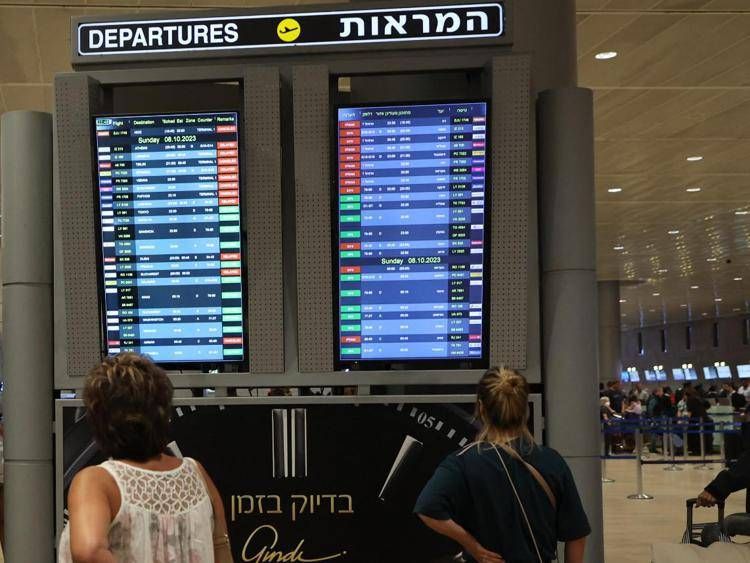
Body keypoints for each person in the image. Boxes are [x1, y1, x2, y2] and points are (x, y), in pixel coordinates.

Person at [58, 353, 230, 563]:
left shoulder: (96, 481)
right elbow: (221, 549)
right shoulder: (197, 472)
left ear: (99, 419)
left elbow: (89, 552)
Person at [414, 368, 590, 563]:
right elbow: (577, 536)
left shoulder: (463, 462)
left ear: (481, 408)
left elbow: (427, 508)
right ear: (525, 409)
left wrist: (474, 547)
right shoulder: (551, 460)